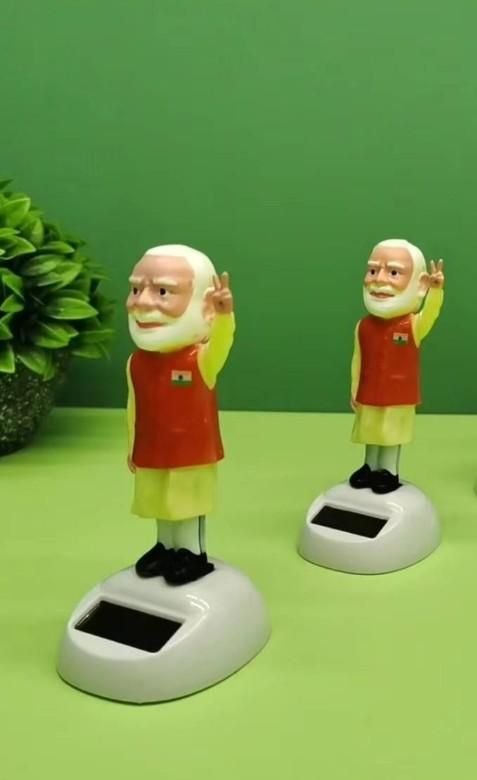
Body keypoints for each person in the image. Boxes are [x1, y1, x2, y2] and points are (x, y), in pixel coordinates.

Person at [126, 244, 235, 584]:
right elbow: (133, 407)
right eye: (136, 289)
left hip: (192, 454)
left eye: (163, 292)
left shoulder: (200, 360)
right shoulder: (137, 363)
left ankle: (191, 553)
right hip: (152, 449)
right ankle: (165, 547)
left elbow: (222, 345)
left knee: (187, 504)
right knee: (159, 502)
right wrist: (132, 448)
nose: (143, 302)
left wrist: (225, 317)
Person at [349, 239, 444, 494]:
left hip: (398, 396)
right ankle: (369, 466)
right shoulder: (363, 327)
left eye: (393, 273)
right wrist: (354, 389)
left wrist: (435, 293)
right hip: (369, 392)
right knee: (369, 432)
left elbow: (430, 314)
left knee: (391, 434)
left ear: (419, 284)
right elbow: (357, 360)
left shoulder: (412, 325)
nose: (379, 280)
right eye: (372, 270)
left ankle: (388, 471)